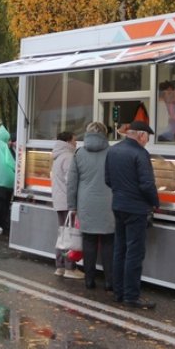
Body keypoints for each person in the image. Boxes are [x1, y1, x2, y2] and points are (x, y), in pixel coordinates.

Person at [105, 120, 160, 309]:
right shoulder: (140, 153)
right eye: (147, 137)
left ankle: (118, 292)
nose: (147, 141)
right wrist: (155, 202)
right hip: (136, 209)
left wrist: (121, 192)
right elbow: (147, 184)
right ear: (141, 135)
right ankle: (131, 296)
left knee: (119, 250)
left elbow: (108, 179)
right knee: (134, 254)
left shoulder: (113, 150)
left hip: (118, 205)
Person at [68, 121, 114, 290]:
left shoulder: (79, 153)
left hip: (86, 204)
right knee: (109, 242)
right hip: (109, 203)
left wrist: (72, 206)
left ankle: (89, 280)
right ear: (104, 134)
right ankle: (110, 281)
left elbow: (71, 183)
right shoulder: (112, 152)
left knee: (89, 242)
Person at [51, 131, 82, 279]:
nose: (76, 143)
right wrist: (74, 202)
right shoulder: (69, 157)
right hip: (67, 201)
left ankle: (60, 266)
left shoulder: (57, 156)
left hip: (59, 200)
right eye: (74, 140)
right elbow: (72, 182)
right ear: (68, 141)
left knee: (63, 234)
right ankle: (70, 267)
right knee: (70, 235)